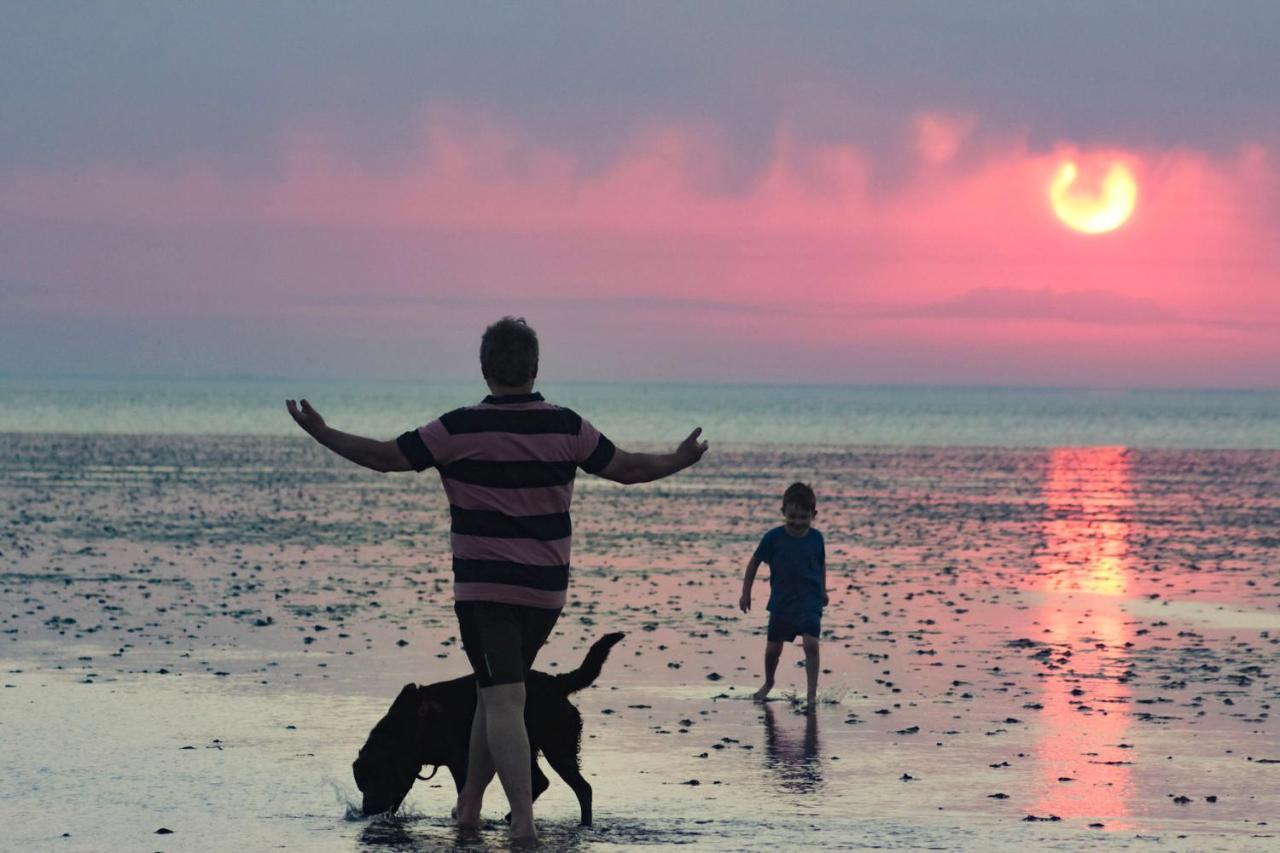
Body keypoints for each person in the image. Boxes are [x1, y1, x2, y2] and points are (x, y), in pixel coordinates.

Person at [286, 316, 707, 843]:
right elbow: (628, 468)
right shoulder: (567, 427)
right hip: (546, 594)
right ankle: (468, 809)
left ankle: (524, 825)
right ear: (535, 368)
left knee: (505, 700)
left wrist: (322, 432)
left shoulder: (457, 429)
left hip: (487, 596)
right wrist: (680, 459)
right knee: (492, 695)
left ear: (485, 369)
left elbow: (383, 457)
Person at [738, 482, 828, 712]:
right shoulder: (773, 538)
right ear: (783, 513)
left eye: (803, 517)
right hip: (782, 601)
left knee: (811, 644)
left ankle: (810, 694)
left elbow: (820, 565)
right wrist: (746, 593)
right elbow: (754, 562)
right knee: (772, 650)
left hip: (810, 599)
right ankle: (769, 682)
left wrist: (823, 591)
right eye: (792, 517)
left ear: (813, 515)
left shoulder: (817, 538)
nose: (798, 522)